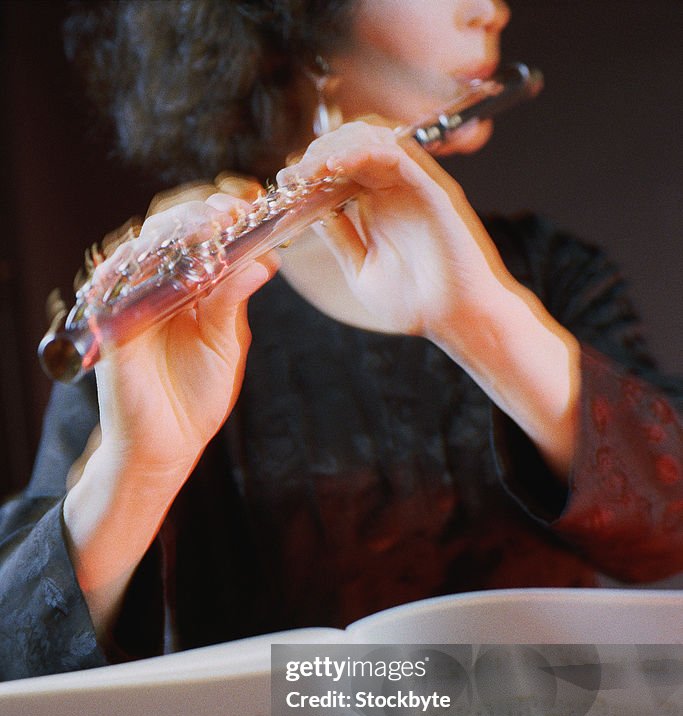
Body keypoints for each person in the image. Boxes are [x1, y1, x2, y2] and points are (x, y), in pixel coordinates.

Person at [1, 0, 681, 681]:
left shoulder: (552, 274)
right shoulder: (169, 322)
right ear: (302, 22)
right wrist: (136, 470)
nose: (488, 10)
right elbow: (19, 660)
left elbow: (666, 534)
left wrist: (488, 321)